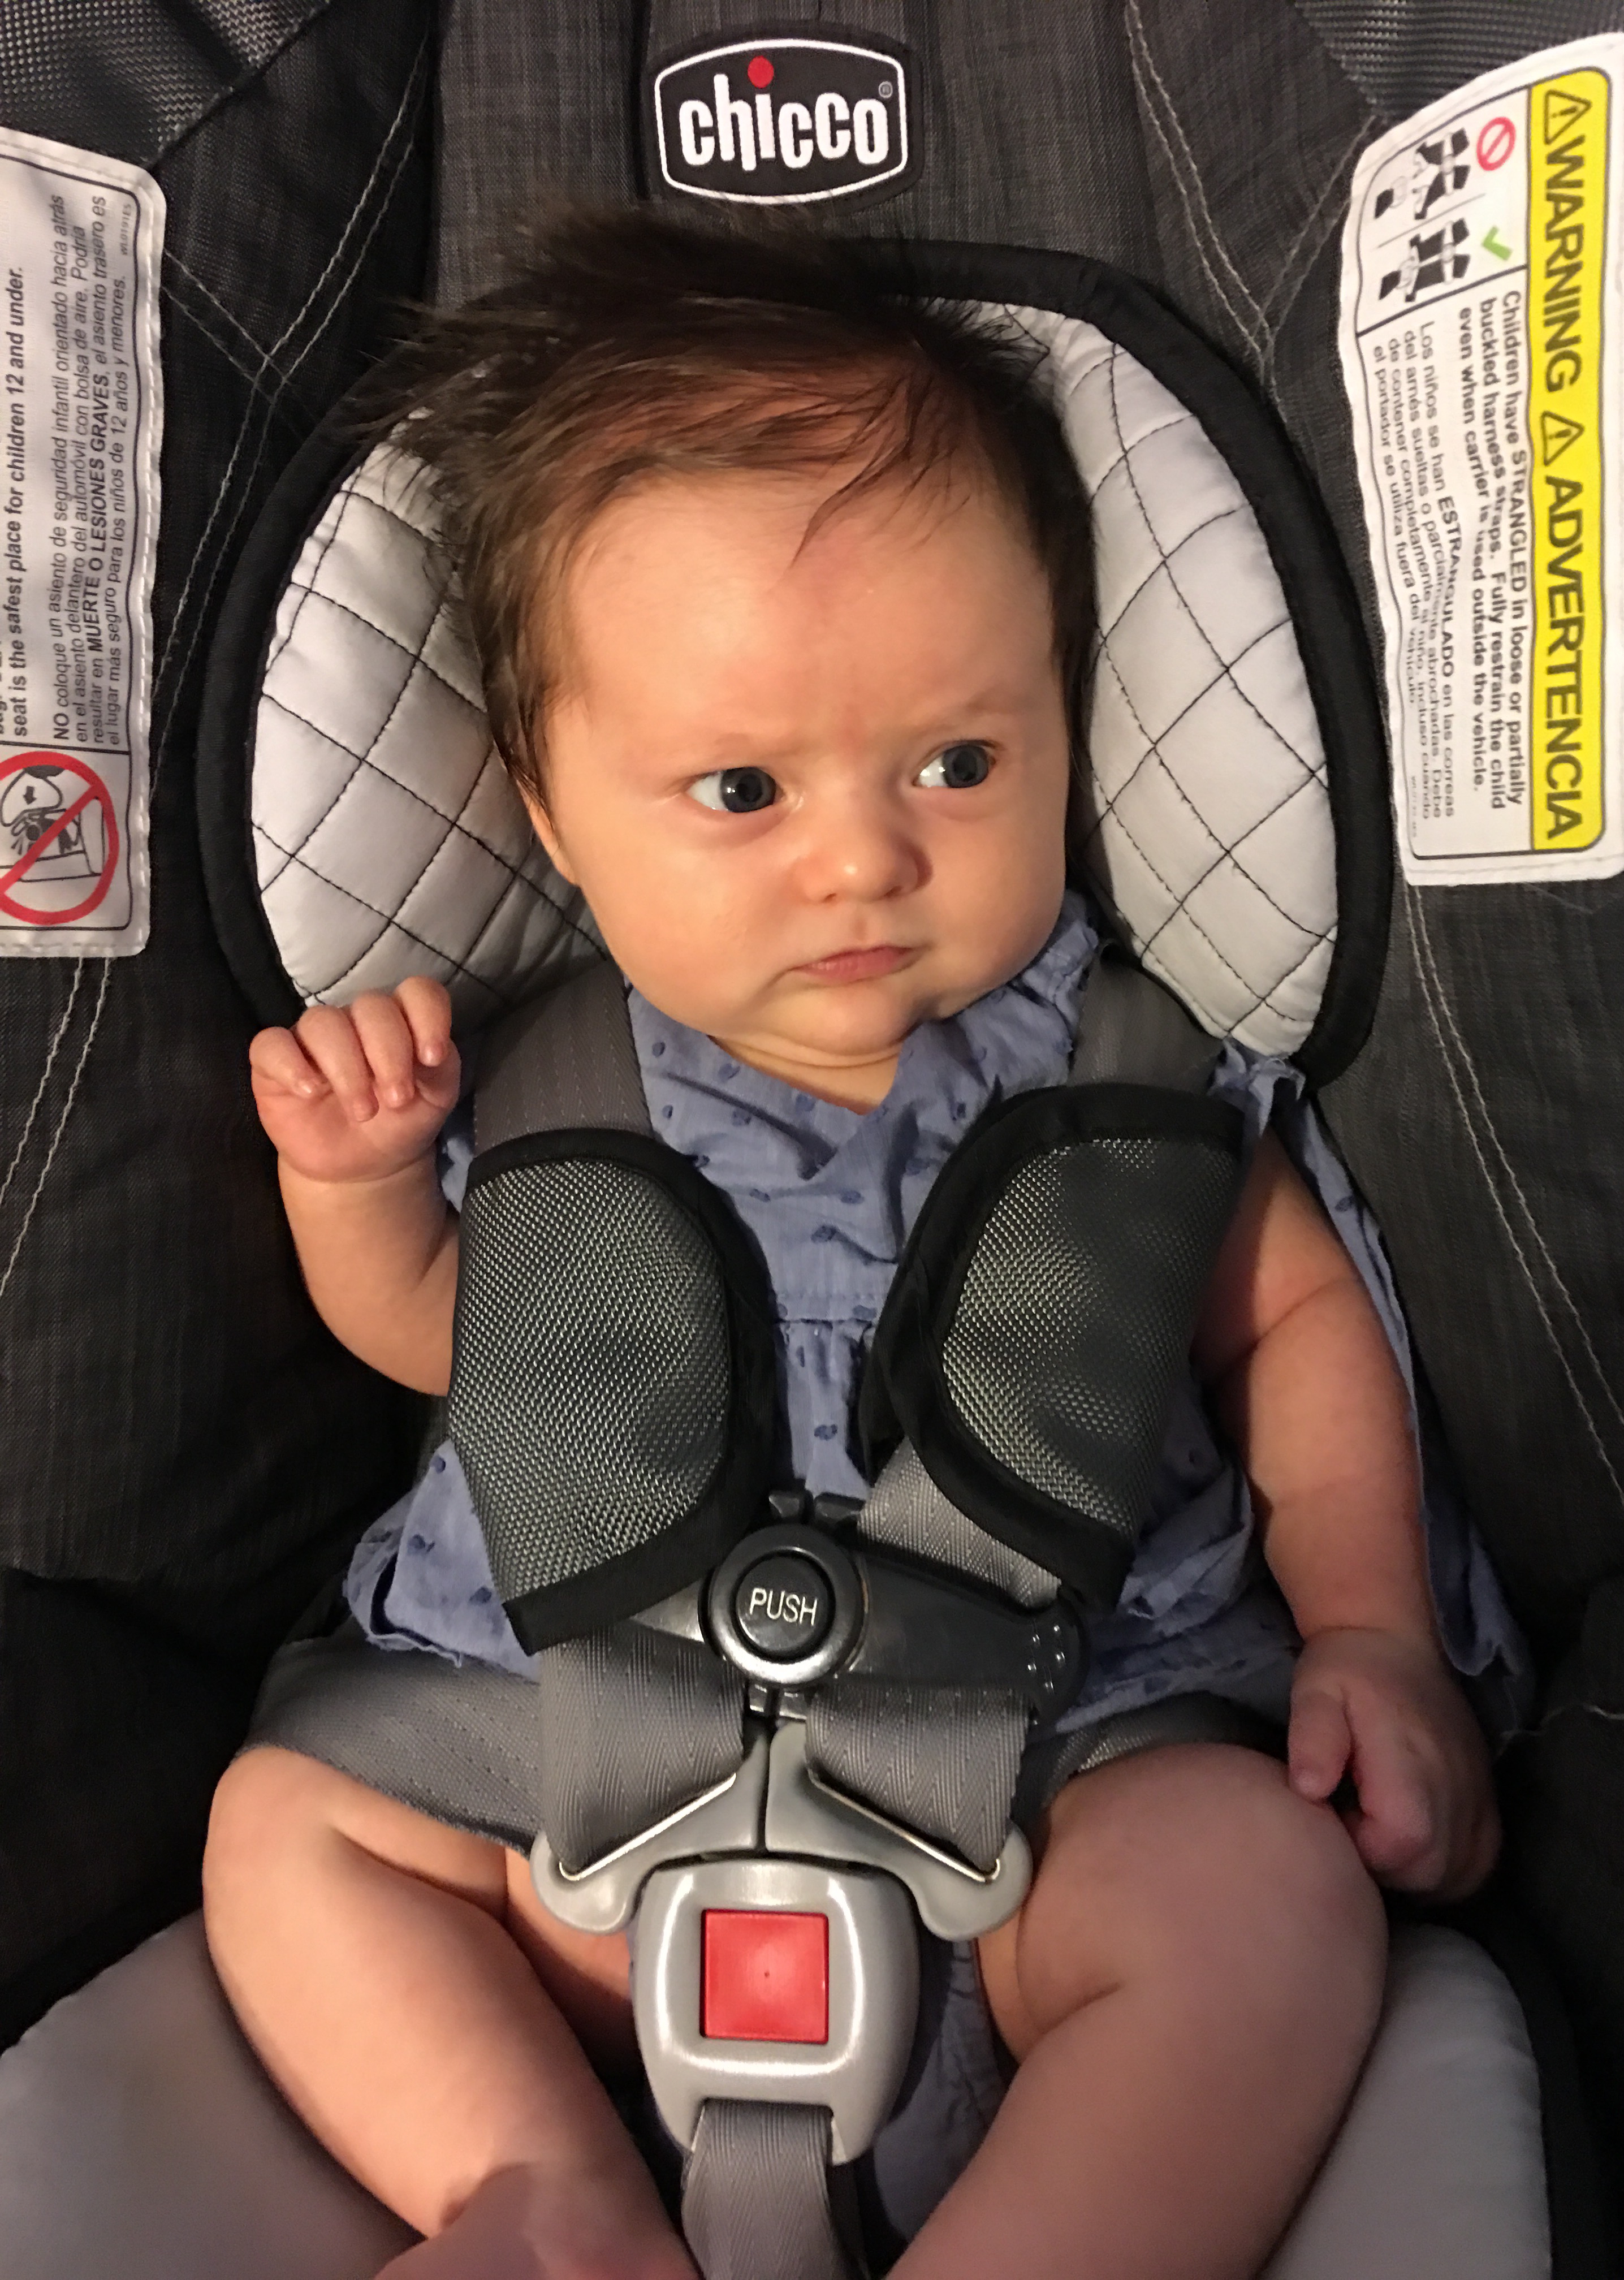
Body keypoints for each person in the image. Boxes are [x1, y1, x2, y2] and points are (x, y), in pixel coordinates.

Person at [203, 209, 1498, 2280]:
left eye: (959, 763)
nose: (866, 858)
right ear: (552, 808)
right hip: (565, 1781)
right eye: (742, 788)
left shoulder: (1122, 1080)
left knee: (1267, 1902)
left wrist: (1371, 1634)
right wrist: (355, 1189)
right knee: (288, 1826)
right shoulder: (546, 1091)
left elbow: (1294, 1328)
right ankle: (539, 2197)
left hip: (1058, 1783)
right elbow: (456, 1342)